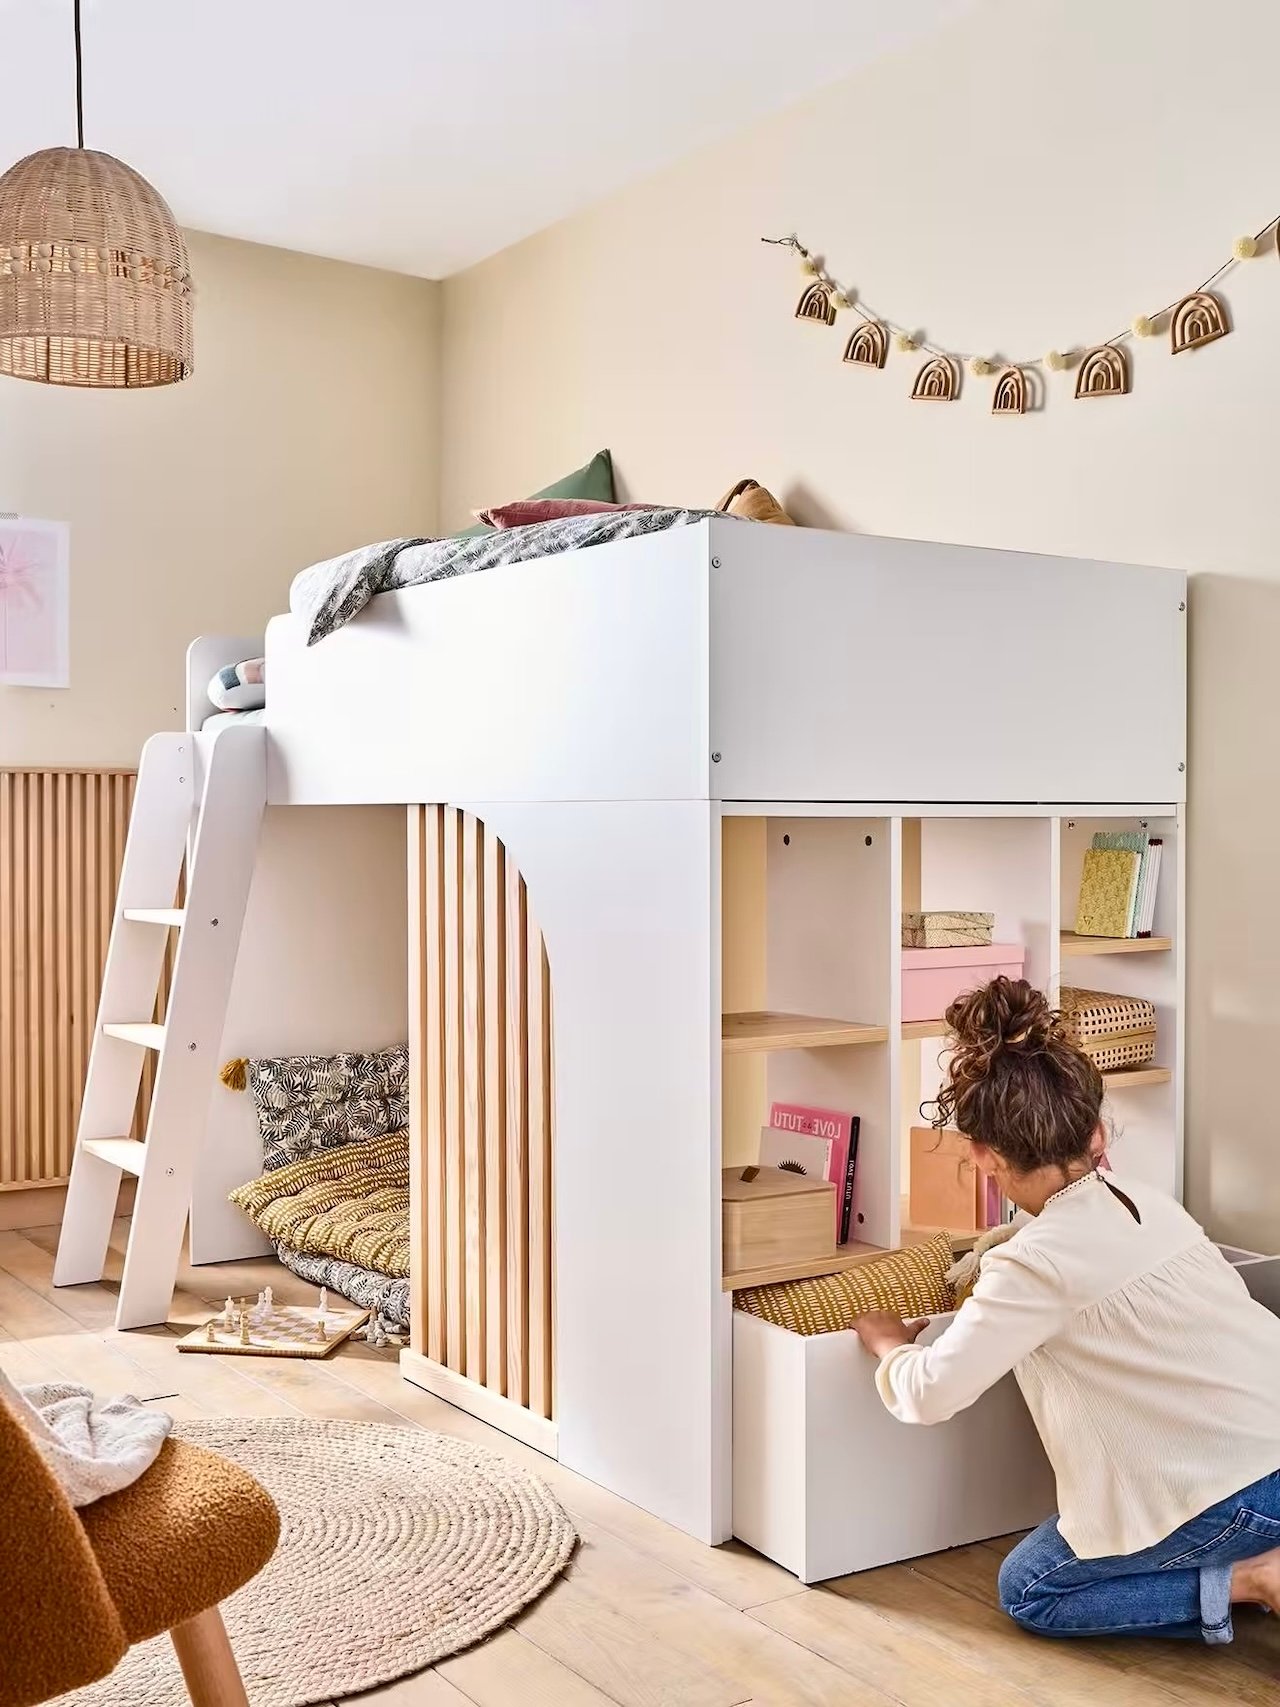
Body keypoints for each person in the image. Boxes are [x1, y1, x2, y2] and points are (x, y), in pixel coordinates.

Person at [852, 977, 1280, 1645]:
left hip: (1245, 1495)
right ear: (1097, 1131)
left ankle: (1255, 1578)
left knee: (1033, 1588)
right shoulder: (1146, 1203)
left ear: (983, 1154)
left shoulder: (1032, 1265)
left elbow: (930, 1392)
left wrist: (887, 1343)